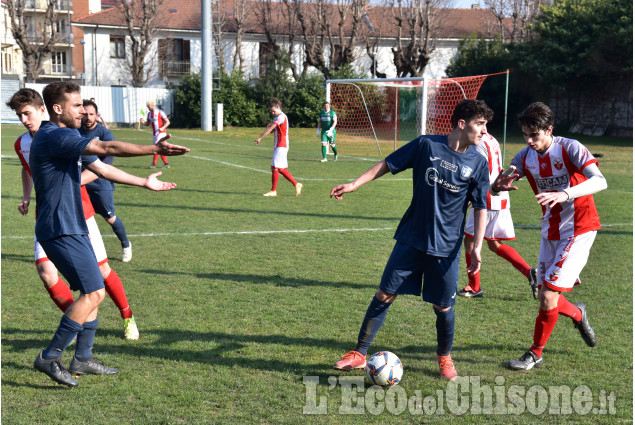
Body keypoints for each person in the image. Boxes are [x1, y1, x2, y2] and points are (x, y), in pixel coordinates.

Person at [28, 81, 188, 387]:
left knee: (95, 290)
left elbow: (100, 166)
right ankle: (50, 356)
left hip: (72, 225)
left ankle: (83, 358)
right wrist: (154, 148)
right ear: (58, 108)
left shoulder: (66, 136)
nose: (83, 111)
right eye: (76, 106)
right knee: (93, 292)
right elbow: (106, 147)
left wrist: (144, 182)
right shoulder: (55, 135)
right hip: (60, 228)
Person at [330, 99, 493, 380]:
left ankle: (444, 358)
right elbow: (388, 163)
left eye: (486, 125)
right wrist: (355, 184)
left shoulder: (478, 162)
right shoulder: (426, 145)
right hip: (412, 239)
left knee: (443, 307)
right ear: (462, 123)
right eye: (480, 124)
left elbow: (480, 207)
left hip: (446, 248)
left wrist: (477, 246)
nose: (484, 131)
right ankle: (359, 353)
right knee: (385, 293)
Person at [9, 89, 142, 341]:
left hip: (79, 212)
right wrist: (27, 196)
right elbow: (28, 170)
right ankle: (80, 321)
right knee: (47, 273)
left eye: (28, 113)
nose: (25, 120)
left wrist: (73, 182)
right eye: (20, 116)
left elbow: (100, 166)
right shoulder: (22, 143)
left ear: (43, 110)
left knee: (102, 273)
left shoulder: (69, 136)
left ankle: (127, 316)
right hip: (48, 215)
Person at [492, 102, 605, 371]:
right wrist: (498, 185)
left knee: (547, 295)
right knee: (547, 294)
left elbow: (600, 180)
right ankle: (578, 313)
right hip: (550, 230)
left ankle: (535, 353)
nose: (529, 141)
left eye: (535, 135)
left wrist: (564, 193)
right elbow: (502, 180)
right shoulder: (523, 157)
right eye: (525, 135)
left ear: (549, 129)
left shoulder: (570, 147)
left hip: (579, 228)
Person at [458, 132, 538, 298]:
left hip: (487, 195)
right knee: (493, 244)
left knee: (470, 240)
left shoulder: (478, 141)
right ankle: (530, 272)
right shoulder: (491, 138)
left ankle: (474, 286)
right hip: (498, 194)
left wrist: (470, 195)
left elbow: (477, 169)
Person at [81, 99, 133, 263]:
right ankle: (86, 254)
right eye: (85, 114)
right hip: (80, 184)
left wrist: (94, 173)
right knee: (80, 219)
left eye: (91, 114)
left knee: (109, 217)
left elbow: (109, 158)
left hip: (100, 182)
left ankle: (125, 244)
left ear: (97, 115)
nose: (88, 117)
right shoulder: (74, 131)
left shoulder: (104, 133)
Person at [254, 98, 303, 197]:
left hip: (281, 144)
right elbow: (274, 130)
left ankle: (274, 191)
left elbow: (271, 128)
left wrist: (260, 138)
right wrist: (271, 128)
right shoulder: (278, 117)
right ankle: (296, 184)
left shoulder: (280, 117)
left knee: (275, 167)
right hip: (280, 145)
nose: (272, 113)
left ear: (278, 108)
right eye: (271, 111)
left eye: (273, 111)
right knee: (280, 169)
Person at [140, 100, 171, 169]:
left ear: (152, 105)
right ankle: (166, 163)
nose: (148, 108)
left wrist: (162, 127)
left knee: (156, 148)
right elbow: (147, 124)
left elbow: (168, 122)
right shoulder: (149, 114)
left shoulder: (160, 112)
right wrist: (143, 122)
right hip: (155, 134)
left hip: (161, 133)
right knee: (159, 148)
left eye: (148, 107)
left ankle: (154, 164)